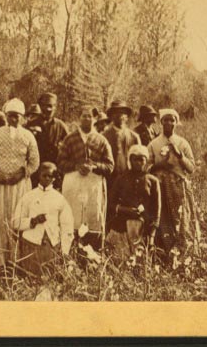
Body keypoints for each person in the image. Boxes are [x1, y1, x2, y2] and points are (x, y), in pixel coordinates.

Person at [0, 98, 40, 269]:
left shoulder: (28, 136)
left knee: (17, 218)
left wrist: (21, 173)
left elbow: (34, 162)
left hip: (20, 185)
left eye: (17, 117)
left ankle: (16, 260)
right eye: (10, 116)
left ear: (22, 118)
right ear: (6, 116)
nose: (13, 120)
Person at [56, 106, 114, 251]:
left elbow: (110, 165)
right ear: (78, 118)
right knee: (72, 219)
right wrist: (76, 166)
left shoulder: (101, 140)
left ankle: (92, 257)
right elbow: (60, 163)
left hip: (93, 186)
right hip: (73, 185)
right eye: (83, 116)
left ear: (95, 119)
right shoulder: (70, 139)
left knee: (93, 219)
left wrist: (94, 166)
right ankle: (70, 255)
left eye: (89, 116)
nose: (86, 119)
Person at [11, 162, 73, 278]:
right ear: (39, 175)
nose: (46, 178)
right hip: (31, 246)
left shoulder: (59, 199)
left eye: (50, 176)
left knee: (48, 280)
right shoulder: (29, 196)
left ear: (54, 178)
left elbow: (67, 227)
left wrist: (65, 251)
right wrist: (32, 221)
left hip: (51, 247)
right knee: (30, 279)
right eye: (44, 175)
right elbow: (15, 222)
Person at [147, 109, 196, 254]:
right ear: (161, 122)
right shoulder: (154, 144)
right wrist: (160, 165)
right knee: (162, 220)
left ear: (176, 122)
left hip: (179, 187)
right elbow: (146, 167)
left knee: (181, 220)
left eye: (172, 120)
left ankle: (183, 253)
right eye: (165, 120)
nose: (169, 123)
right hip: (160, 187)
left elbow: (191, 168)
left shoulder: (182, 143)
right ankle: (164, 253)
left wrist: (180, 156)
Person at [106, 145, 162, 259]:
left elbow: (157, 211)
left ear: (146, 161)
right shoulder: (121, 179)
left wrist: (151, 237)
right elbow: (110, 204)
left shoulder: (153, 181)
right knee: (120, 260)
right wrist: (124, 210)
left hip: (144, 229)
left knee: (141, 262)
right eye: (134, 159)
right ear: (129, 160)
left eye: (141, 159)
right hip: (121, 227)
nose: (138, 162)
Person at [102, 100, 142, 186]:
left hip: (130, 178)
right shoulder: (104, 137)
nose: (120, 115)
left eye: (122, 113)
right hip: (110, 179)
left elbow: (140, 160)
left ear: (127, 116)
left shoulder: (134, 137)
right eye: (116, 112)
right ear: (111, 116)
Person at [33, 93, 69, 189]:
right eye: (44, 105)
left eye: (50, 106)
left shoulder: (60, 125)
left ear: (55, 107)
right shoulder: (31, 123)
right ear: (39, 106)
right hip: (35, 170)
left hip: (54, 171)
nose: (47, 109)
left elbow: (70, 145)